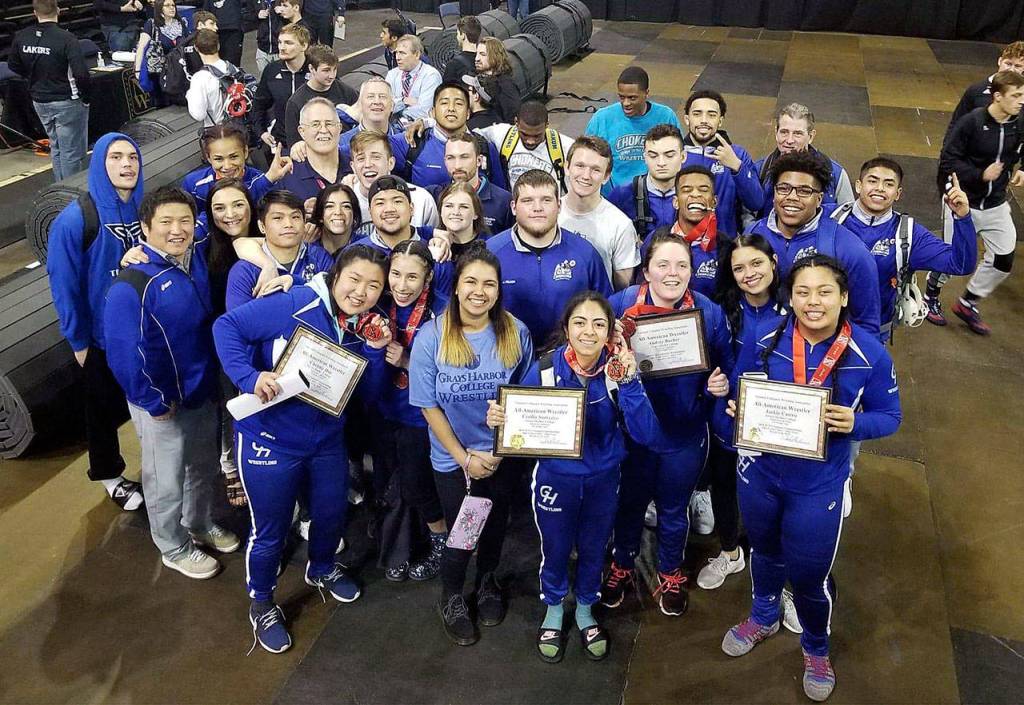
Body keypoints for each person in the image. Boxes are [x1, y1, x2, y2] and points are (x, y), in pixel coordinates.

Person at [720, 255, 901, 703]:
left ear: (843, 297)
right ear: (791, 296)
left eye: (824, 292)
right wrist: (737, 411)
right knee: (763, 550)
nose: (812, 302)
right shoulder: (765, 337)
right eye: (802, 292)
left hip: (818, 485)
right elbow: (744, 390)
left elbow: (891, 417)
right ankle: (763, 614)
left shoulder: (869, 352)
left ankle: (816, 648)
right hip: (760, 473)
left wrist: (853, 423)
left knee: (808, 575)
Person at [213, 245, 392, 654]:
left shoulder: (365, 325)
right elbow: (226, 328)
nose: (361, 291)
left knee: (331, 513)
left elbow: (368, 394)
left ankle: (323, 569)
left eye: (373, 286)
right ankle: (261, 603)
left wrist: (377, 354)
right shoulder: (295, 302)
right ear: (335, 276)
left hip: (326, 440)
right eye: (354, 280)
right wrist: (248, 375)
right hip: (269, 438)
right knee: (270, 532)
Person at [486, 292, 659, 662]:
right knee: (557, 548)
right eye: (579, 322)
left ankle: (584, 608)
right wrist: (501, 422)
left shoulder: (618, 372)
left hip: (603, 480)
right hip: (555, 480)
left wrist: (630, 384)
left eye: (599, 323)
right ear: (566, 328)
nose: (588, 331)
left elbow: (647, 435)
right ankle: (553, 606)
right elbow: (517, 422)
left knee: (595, 548)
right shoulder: (546, 369)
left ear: (610, 331)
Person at [104, 185, 240, 579]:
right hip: (163, 404)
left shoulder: (191, 260)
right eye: (165, 222)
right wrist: (154, 402)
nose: (177, 229)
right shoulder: (131, 284)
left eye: (184, 220)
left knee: (201, 466)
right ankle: (172, 544)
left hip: (200, 390)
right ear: (145, 227)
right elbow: (125, 355)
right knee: (164, 478)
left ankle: (197, 524)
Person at [408, 247, 534, 646]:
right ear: (457, 287)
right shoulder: (432, 336)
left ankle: (487, 582)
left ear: (498, 291)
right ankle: (451, 595)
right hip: (453, 458)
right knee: (464, 530)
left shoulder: (516, 331)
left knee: (495, 524)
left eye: (489, 284)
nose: (479, 291)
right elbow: (428, 406)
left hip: (501, 454)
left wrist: (496, 454)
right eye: (471, 282)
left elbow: (527, 397)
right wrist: (464, 459)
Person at [602, 231, 732, 617]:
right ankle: (622, 563)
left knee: (675, 508)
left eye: (682, 265)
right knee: (630, 504)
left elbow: (725, 361)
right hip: (635, 434)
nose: (672, 274)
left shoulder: (708, 313)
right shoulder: (620, 306)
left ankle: (670, 571)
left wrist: (716, 385)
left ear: (692, 271)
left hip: (685, 432)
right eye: (663, 264)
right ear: (646, 270)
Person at [46, 133, 145, 511]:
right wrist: (79, 341)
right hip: (101, 337)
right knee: (101, 409)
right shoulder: (76, 219)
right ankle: (109, 475)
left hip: (138, 329)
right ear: (100, 164)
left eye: (132, 157)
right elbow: (64, 284)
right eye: (116, 157)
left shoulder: (141, 209)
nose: (126, 165)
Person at [699, 234, 786, 591]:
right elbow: (711, 362)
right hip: (728, 415)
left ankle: (775, 565)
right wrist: (715, 383)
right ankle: (731, 552)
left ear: (773, 263)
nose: (749, 273)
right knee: (723, 483)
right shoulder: (722, 311)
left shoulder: (793, 310)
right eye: (739, 268)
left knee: (771, 493)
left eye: (756, 263)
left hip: (774, 422)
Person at [829, 158, 977, 342]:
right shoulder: (827, 217)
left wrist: (962, 217)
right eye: (872, 180)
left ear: (898, 194)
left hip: (870, 336)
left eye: (888, 184)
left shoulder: (909, 235)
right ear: (858, 186)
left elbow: (960, 264)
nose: (880, 188)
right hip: (816, 325)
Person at [371, 241, 450, 582]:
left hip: (423, 416)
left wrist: (406, 360)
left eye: (413, 277)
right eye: (396, 274)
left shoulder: (445, 312)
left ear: (428, 278)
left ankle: (442, 543)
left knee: (419, 486)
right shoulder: (377, 304)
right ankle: (400, 549)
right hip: (383, 409)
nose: (401, 286)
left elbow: (453, 372)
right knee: (390, 487)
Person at [924, 70, 1024, 335]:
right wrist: (979, 174)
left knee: (1003, 259)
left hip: (996, 203)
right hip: (963, 204)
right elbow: (947, 161)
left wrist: (1021, 167)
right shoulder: (972, 123)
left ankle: (968, 302)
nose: (1021, 101)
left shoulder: (1020, 121)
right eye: (1016, 96)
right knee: (953, 262)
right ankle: (930, 294)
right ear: (998, 97)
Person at [746, 150, 880, 336]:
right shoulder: (753, 234)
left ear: (819, 199)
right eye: (783, 188)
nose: (792, 197)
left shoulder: (849, 250)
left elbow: (867, 324)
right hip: (762, 347)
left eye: (804, 191)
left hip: (823, 353)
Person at [487, 169, 612, 347]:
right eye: (528, 200)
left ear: (559, 205)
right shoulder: (491, 253)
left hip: (570, 357)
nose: (537, 208)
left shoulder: (585, 253)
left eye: (546, 200)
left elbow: (605, 310)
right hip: (506, 356)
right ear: (514, 207)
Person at [9, 0, 91, 181]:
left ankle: (60, 187)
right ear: (59, 10)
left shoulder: (22, 36)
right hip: (66, 100)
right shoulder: (66, 38)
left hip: (39, 99)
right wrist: (85, 98)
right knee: (71, 151)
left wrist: (31, 76)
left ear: (34, 13)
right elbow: (81, 73)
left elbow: (13, 65)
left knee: (56, 146)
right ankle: (71, 192)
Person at [225, 190, 334, 309]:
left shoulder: (320, 257)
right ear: (262, 226)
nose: (288, 224)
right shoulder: (244, 271)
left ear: (304, 222)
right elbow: (238, 323)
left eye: (295, 217)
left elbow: (333, 304)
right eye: (278, 218)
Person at [557, 136, 640, 290]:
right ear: (567, 167)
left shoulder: (620, 225)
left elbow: (623, 290)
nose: (586, 175)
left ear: (606, 177)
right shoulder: (547, 215)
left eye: (595, 170)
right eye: (580, 166)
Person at [751, 104, 854, 224]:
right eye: (784, 132)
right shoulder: (760, 170)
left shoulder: (835, 173)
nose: (789, 140)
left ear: (811, 136)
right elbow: (746, 212)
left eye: (797, 134)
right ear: (776, 132)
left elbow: (847, 216)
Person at [584, 66, 682, 192]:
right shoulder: (602, 118)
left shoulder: (666, 116)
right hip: (613, 195)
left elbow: (679, 154)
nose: (626, 103)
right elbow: (586, 157)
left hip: (654, 193)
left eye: (632, 98)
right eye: (621, 97)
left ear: (646, 93)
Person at [680, 89, 764, 237]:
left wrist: (737, 168)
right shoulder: (674, 154)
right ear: (687, 119)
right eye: (697, 114)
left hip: (725, 244)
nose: (704, 120)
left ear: (720, 120)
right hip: (682, 243)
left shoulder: (737, 154)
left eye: (711, 115)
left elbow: (756, 203)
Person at [401, 82, 507, 191]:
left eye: (459, 103)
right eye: (444, 103)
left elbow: (499, 196)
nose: (451, 108)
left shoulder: (486, 147)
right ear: (432, 112)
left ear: (468, 113)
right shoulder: (411, 140)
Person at [181, 123, 292, 213]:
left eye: (233, 157)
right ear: (208, 158)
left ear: (245, 152)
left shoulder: (264, 181)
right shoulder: (193, 183)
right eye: (219, 159)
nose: (227, 166)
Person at [348, 131, 438, 237]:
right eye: (361, 159)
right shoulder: (344, 201)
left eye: (376, 157)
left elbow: (434, 241)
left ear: (391, 163)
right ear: (353, 167)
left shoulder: (422, 199)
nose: (368, 164)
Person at [652, 164, 723, 298]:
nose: (695, 194)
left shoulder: (725, 247)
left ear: (714, 202)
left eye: (703, 190)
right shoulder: (655, 240)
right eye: (686, 190)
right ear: (676, 202)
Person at [474, 101, 575, 191]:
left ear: (547, 125)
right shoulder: (501, 134)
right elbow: (470, 136)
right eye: (524, 134)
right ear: (516, 123)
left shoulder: (566, 146)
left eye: (537, 136)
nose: (530, 141)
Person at [608, 124, 685, 241]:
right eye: (653, 156)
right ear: (645, 157)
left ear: (683, 156)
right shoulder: (622, 195)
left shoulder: (694, 195)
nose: (661, 162)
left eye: (669, 155)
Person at [429, 132, 513, 233]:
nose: (457, 165)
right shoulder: (434, 195)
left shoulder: (504, 201)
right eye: (450, 158)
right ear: (445, 161)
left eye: (464, 157)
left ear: (479, 160)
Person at [945, 41, 1024, 138]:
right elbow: (957, 123)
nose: (1011, 70)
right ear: (999, 61)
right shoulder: (977, 90)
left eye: (1017, 66)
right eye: (1008, 64)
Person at [283, 44, 356, 147]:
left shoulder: (346, 91)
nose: (331, 76)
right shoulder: (296, 102)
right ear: (312, 69)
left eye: (334, 69)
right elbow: (294, 143)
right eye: (326, 70)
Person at [277, 98, 347, 202]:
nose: (323, 130)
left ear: (340, 128)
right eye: (315, 124)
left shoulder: (357, 166)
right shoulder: (286, 177)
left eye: (329, 123)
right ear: (302, 131)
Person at [253, 23, 312, 148]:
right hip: (282, 142)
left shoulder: (315, 69)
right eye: (280, 42)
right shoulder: (272, 70)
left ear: (304, 46)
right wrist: (261, 132)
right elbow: (259, 104)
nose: (282, 47)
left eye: (288, 43)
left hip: (312, 142)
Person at [134, 0, 189, 106]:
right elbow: (141, 48)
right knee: (163, 105)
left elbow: (187, 43)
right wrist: (138, 69)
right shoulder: (151, 24)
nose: (172, 8)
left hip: (180, 71)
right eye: (167, 5)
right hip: (160, 72)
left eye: (173, 5)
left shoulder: (181, 23)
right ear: (160, 8)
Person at [337, 77, 406, 162]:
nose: (377, 101)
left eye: (382, 96)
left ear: (392, 105)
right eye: (370, 97)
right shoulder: (341, 143)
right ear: (360, 104)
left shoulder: (406, 141)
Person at [385, 35, 442, 124]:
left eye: (402, 53)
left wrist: (396, 111)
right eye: (397, 53)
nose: (397, 58)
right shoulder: (392, 74)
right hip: (394, 127)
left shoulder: (431, 75)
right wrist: (404, 101)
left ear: (416, 54)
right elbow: (386, 106)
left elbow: (424, 112)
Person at [185, 29, 230, 126]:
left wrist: (189, 95)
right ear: (218, 45)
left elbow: (199, 115)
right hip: (240, 129)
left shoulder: (199, 78)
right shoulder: (230, 67)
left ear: (196, 48)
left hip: (218, 134)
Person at [437, 181, 491, 258]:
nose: (456, 212)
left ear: (476, 214)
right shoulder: (430, 245)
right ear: (440, 211)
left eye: (464, 207)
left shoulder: (491, 247)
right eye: (449, 206)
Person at [255, 0, 309, 75]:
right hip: (263, 49)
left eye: (285, 6)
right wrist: (256, 15)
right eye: (282, 5)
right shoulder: (257, 2)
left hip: (281, 53)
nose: (282, 8)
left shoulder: (303, 28)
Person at [474, 37, 520, 123]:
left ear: (495, 56)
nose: (477, 59)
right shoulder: (480, 80)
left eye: (482, 54)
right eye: (476, 54)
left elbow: (512, 119)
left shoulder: (506, 86)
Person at [310, 182, 362, 255]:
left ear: (354, 214)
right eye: (330, 206)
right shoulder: (308, 249)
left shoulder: (367, 247)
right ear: (320, 215)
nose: (338, 212)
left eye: (346, 206)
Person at [202, 0, 249, 66]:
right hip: (216, 32)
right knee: (217, 62)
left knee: (232, 63)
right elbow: (206, 13)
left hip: (233, 30)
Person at [443, 15, 481, 83]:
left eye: (457, 34)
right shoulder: (486, 60)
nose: (457, 37)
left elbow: (447, 91)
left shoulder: (453, 65)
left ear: (463, 35)